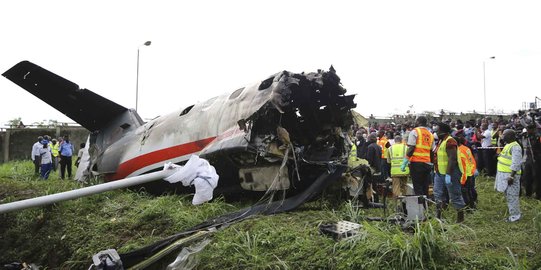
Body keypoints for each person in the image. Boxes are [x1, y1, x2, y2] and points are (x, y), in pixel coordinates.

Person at [433, 122, 466, 222]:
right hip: (439, 173)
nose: (435, 132)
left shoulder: (450, 141)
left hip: (451, 173)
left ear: (443, 131)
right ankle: (438, 217)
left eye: (437, 131)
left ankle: (460, 219)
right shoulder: (440, 141)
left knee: (455, 195)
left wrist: (448, 174)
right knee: (438, 194)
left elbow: (452, 159)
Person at [402, 116, 434, 196]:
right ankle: (425, 205)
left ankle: (420, 206)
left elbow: (412, 147)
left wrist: (405, 160)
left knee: (417, 186)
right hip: (427, 163)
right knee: (425, 185)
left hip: (417, 163)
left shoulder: (415, 132)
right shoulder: (430, 134)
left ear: (419, 122)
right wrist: (431, 163)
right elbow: (431, 150)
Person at [495, 129, 522, 222]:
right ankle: (512, 212)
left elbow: (516, 163)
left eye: (504, 135)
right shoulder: (508, 144)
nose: (502, 136)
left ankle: (515, 217)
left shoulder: (515, 147)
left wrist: (511, 176)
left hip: (511, 176)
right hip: (505, 175)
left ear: (510, 136)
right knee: (508, 195)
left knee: (512, 196)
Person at [456, 136, 478, 209]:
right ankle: (473, 204)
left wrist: (462, 179)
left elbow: (463, 166)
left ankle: (469, 208)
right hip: (471, 171)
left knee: (465, 192)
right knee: (470, 190)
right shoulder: (465, 148)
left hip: (465, 174)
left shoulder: (459, 151)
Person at [521, 123, 541, 199]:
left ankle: (538, 195)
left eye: (529, 129)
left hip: (537, 159)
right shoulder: (527, 136)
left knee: (537, 177)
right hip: (528, 159)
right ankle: (528, 193)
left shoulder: (538, 137)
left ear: (533, 129)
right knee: (527, 176)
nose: (528, 131)